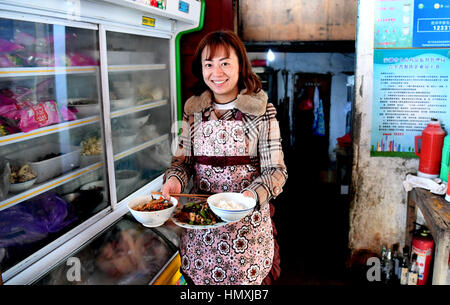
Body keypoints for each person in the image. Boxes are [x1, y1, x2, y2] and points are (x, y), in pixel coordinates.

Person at [161, 30, 287, 285]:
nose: (216, 73)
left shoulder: (261, 111)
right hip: (202, 231)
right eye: (209, 64)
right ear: (201, 68)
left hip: (246, 232)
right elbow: (182, 163)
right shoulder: (194, 111)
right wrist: (174, 180)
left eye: (225, 63)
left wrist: (250, 197)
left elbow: (276, 171)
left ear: (241, 65)